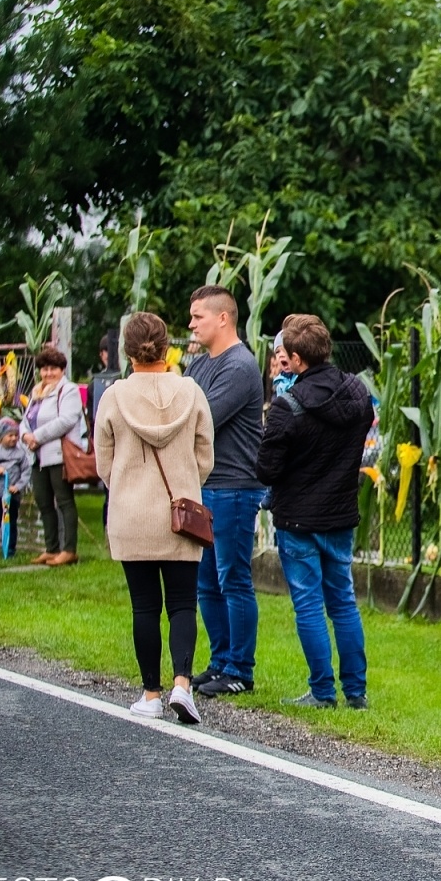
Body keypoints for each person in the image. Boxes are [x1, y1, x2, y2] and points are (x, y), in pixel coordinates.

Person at [94, 312, 214, 723]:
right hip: (180, 513)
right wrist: (186, 482)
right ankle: (183, 685)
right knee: (183, 604)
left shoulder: (114, 397)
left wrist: (126, 484)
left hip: (131, 514)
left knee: (144, 606)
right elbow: (205, 456)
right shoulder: (191, 392)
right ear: (166, 348)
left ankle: (150, 694)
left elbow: (104, 463)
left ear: (127, 351)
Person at [255, 314, 374, 709]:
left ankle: (323, 692)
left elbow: (266, 469)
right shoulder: (357, 394)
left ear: (296, 359)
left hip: (298, 518)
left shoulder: (288, 406)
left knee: (308, 605)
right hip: (339, 513)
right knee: (343, 601)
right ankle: (356, 692)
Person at [185, 285, 268, 698]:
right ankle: (219, 661)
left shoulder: (240, 366)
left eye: (197, 316)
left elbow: (202, 418)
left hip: (234, 487)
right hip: (205, 485)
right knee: (206, 583)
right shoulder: (199, 365)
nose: (191, 324)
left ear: (223, 318)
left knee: (233, 579)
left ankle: (240, 668)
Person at [20, 346, 87, 567]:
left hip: (59, 456)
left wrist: (36, 437)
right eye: (44, 369)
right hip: (37, 457)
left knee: (64, 501)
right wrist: (25, 436)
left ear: (61, 370)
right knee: (43, 501)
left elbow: (66, 420)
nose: (48, 373)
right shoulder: (37, 392)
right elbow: (25, 420)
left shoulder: (68, 390)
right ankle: (51, 548)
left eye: (53, 369)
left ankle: (69, 550)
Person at [0, 419, 33, 558]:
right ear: (1, 437)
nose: (13, 438)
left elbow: (26, 472)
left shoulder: (20, 454)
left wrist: (17, 486)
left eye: (16, 435)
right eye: (10, 435)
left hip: (11, 496)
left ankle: (10, 549)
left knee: (10, 523)